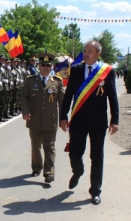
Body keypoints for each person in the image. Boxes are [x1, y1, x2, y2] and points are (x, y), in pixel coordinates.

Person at [60, 41, 119, 205]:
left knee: (97, 157)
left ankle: (95, 191)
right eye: (84, 51)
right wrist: (63, 116)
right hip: (78, 119)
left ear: (98, 53)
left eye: (89, 51)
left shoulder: (107, 72)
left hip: (98, 121)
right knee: (74, 153)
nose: (86, 53)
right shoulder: (77, 70)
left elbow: (112, 97)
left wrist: (115, 120)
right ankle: (78, 171)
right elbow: (68, 95)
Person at [20, 52, 65, 183]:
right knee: (35, 145)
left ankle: (49, 172)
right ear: (38, 65)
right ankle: (36, 167)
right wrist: (25, 111)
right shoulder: (30, 81)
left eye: (48, 65)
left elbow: (62, 102)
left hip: (50, 120)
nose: (45, 67)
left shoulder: (57, 82)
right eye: (43, 64)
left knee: (49, 146)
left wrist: (63, 119)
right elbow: (24, 97)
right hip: (34, 119)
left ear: (52, 66)